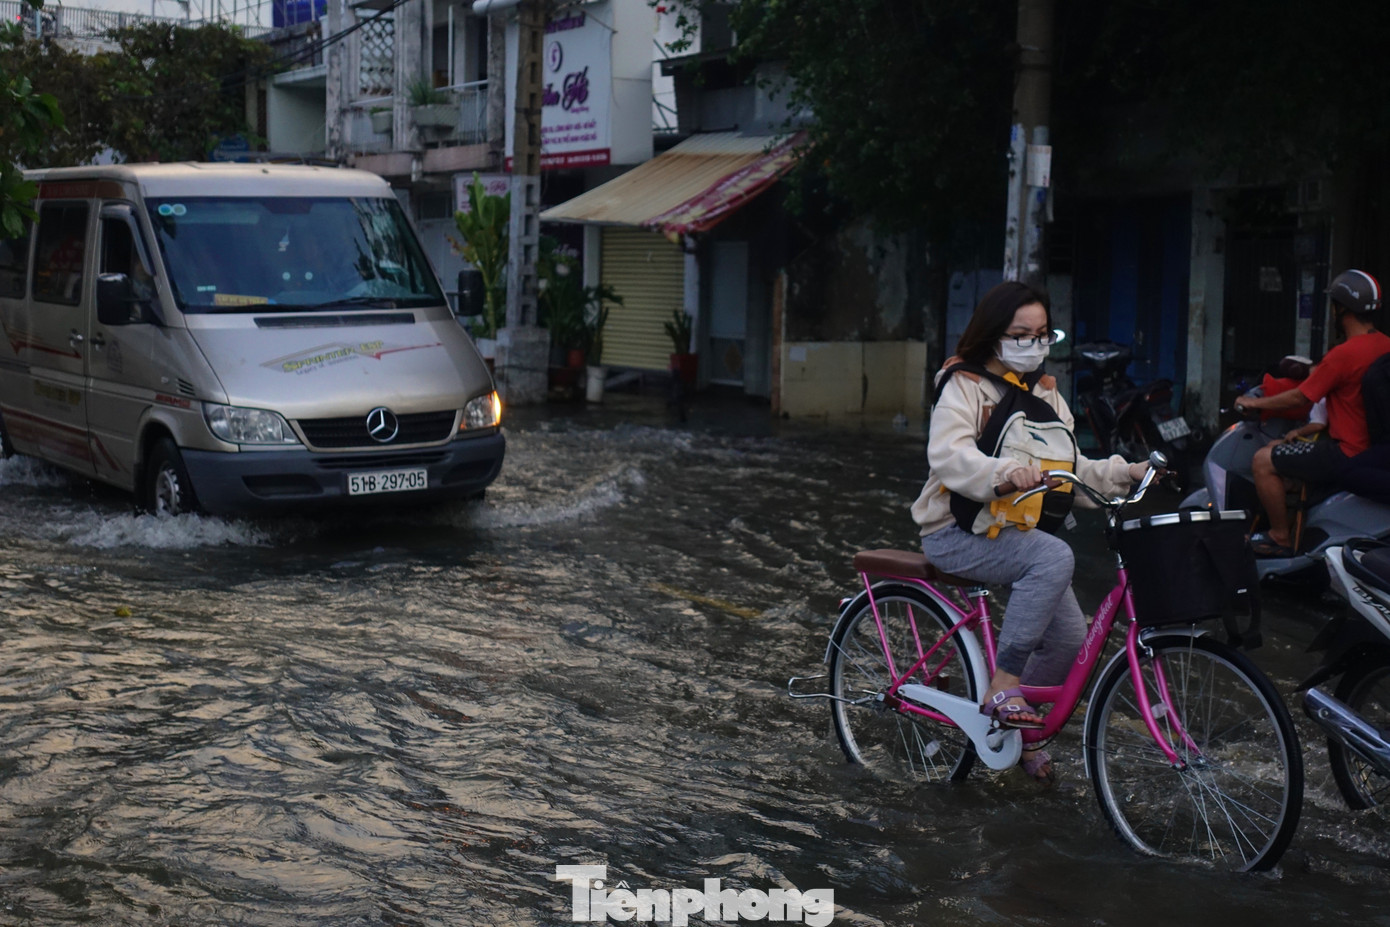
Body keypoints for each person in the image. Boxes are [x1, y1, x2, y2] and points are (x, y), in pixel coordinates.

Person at [911, 281, 1147, 782]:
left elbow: (1074, 469)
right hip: (956, 531)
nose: (1034, 345)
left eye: (1043, 335)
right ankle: (1003, 685)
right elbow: (951, 456)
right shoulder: (963, 385)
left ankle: (1010, 734)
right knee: (1055, 556)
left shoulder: (1045, 395)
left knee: (1067, 640)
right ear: (995, 334)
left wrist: (1128, 472)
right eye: (1021, 334)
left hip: (1013, 533)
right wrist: (1003, 473)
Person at [1234, 269, 1390, 557]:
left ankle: (1279, 535)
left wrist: (1254, 403)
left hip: (1345, 451)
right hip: (1374, 449)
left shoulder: (1343, 354)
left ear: (1341, 308)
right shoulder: (1384, 344)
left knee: (1263, 459)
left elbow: (1301, 395)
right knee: (1283, 452)